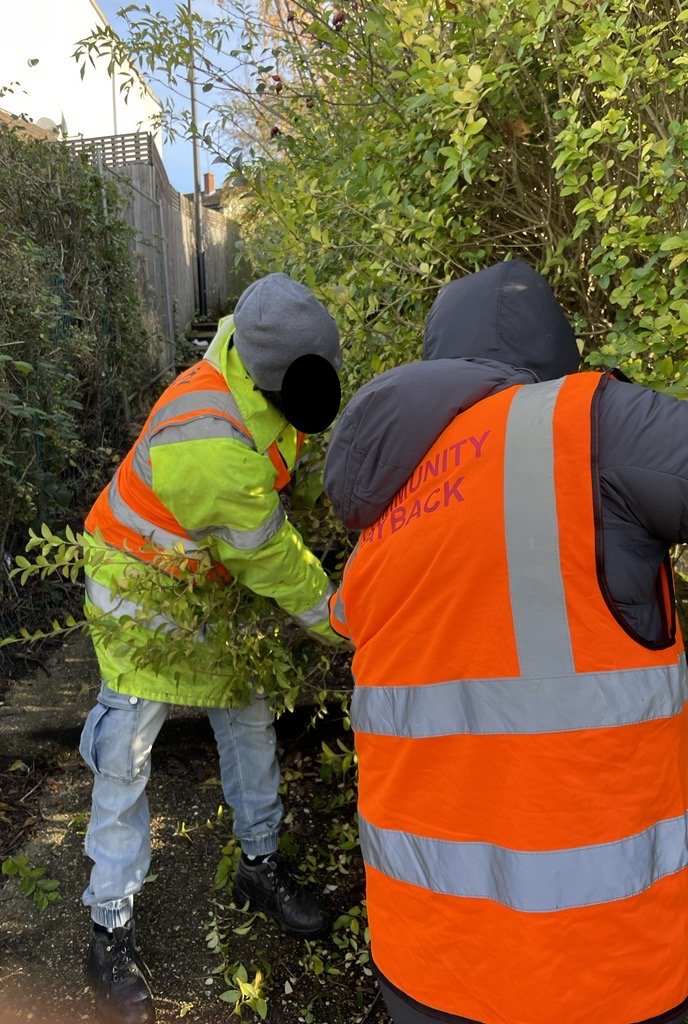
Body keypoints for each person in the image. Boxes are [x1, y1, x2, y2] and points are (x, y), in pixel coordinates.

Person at [322, 260, 688, 1024]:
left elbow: (373, 636)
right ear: (554, 357)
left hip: (425, 957)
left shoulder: (387, 508)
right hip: (598, 965)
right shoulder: (586, 425)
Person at [80, 273, 344, 1024]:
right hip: (138, 584)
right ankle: (109, 926)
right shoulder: (211, 444)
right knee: (127, 750)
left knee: (249, 714)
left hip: (202, 578)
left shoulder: (253, 353)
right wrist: (340, 621)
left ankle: (258, 866)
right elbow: (272, 559)